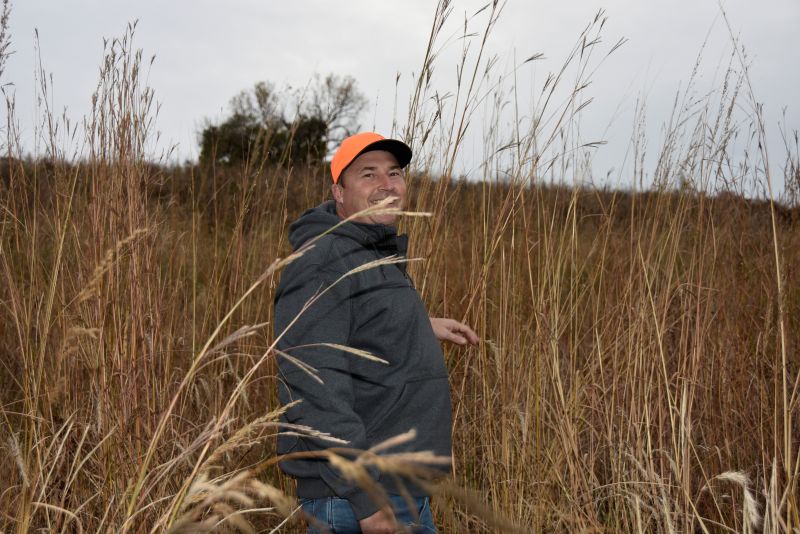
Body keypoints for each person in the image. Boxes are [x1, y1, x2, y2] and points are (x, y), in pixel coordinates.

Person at [273, 132, 478, 534]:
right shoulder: (323, 261)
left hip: (397, 491)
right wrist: (366, 499)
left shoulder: (368, 250)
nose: (386, 185)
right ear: (339, 192)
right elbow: (314, 386)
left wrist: (421, 325)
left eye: (394, 173)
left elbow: (354, 326)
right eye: (368, 174)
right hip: (360, 500)